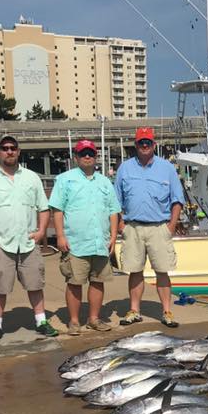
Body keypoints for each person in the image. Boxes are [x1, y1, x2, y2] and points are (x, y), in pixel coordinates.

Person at [0, 134, 58, 343]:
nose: (9, 151)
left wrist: (41, 231)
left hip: (27, 242)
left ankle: (41, 321)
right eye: (5, 148)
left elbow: (43, 208)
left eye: (13, 148)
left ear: (18, 151)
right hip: (1, 243)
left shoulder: (31, 177)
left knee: (35, 284)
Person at [114, 126, 185, 328]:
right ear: (135, 145)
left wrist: (171, 225)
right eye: (141, 142)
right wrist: (120, 223)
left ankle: (167, 311)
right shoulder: (124, 168)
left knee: (162, 271)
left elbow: (177, 200)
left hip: (159, 227)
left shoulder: (167, 168)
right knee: (135, 271)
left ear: (154, 145)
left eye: (148, 142)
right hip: (133, 227)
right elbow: (115, 200)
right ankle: (134, 310)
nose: (144, 146)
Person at [49, 138, 122, 335]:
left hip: (101, 242)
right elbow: (57, 209)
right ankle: (74, 321)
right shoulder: (65, 179)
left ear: (96, 156)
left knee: (98, 281)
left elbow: (113, 211)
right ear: (76, 157)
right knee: (74, 282)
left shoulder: (105, 181)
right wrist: (60, 236)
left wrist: (113, 238)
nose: (87, 157)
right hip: (76, 243)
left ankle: (94, 318)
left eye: (91, 153)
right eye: (83, 154)